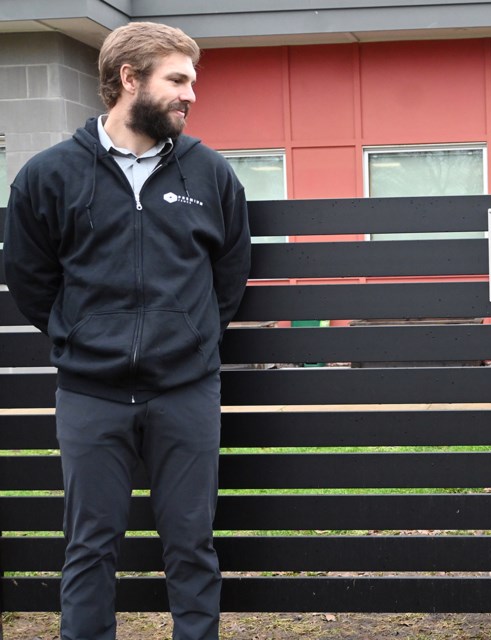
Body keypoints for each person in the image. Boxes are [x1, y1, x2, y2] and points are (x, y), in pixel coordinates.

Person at [3, 21, 251, 640]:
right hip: (91, 393)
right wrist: (81, 337)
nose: (191, 93)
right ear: (129, 78)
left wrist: (191, 340)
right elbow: (30, 277)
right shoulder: (49, 175)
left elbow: (230, 274)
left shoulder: (211, 175)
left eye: (192, 81)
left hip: (185, 391)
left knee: (191, 546)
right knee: (88, 548)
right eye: (178, 80)